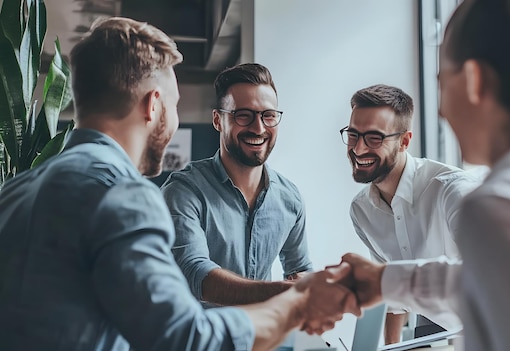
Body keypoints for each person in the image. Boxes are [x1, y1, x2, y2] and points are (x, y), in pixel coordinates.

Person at [0, 17, 359, 351]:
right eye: (175, 104)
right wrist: (296, 304)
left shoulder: (14, 193)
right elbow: (185, 337)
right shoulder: (124, 194)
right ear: (154, 105)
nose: (173, 120)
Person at [333, 0, 510, 350]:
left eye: (442, 83)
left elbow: (491, 288)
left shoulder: (497, 204)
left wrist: (386, 281)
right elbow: (492, 282)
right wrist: (384, 281)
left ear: (473, 79)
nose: (440, 109)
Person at [161, 63, 313, 306]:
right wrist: (283, 293)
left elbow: (300, 268)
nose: (259, 127)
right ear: (218, 120)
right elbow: (196, 273)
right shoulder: (184, 191)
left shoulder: (289, 198)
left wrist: (314, 286)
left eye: (268, 115)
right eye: (244, 115)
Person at [341, 84, 484, 343]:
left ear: (404, 141)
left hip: (487, 328)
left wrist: (384, 279)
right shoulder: (361, 211)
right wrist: (392, 348)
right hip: (434, 325)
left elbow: (485, 275)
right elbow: (393, 300)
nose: (358, 149)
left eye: (374, 138)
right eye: (353, 134)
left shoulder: (452, 191)